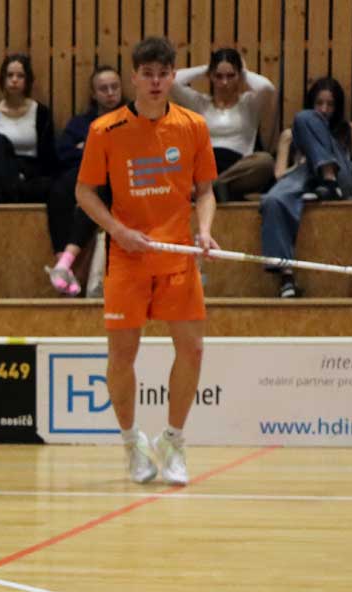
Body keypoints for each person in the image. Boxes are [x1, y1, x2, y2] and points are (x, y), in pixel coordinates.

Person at [75, 36, 218, 486]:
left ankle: (173, 440)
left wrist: (205, 231)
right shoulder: (105, 130)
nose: (156, 82)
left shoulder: (193, 125)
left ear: (173, 77)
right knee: (122, 355)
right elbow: (84, 193)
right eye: (147, 74)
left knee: (192, 349)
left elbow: (206, 191)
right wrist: (117, 231)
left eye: (163, 74)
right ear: (134, 77)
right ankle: (131, 442)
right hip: (128, 257)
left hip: (178, 256)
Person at [260, 77, 352, 297]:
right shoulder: (290, 135)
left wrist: (326, 157)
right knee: (272, 200)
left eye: (330, 104)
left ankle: (329, 179)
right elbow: (279, 175)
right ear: (311, 102)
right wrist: (305, 162)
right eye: (319, 103)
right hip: (304, 176)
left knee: (304, 118)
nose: (324, 109)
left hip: (340, 176)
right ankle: (286, 277)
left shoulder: (350, 129)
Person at [46, 65, 126, 294]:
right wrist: (94, 153)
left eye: (114, 87)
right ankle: (63, 264)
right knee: (58, 191)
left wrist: (90, 148)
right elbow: (63, 152)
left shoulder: (131, 117)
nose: (110, 93)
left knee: (93, 196)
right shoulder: (80, 123)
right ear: (93, 93)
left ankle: (66, 263)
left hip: (117, 178)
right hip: (84, 171)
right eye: (103, 89)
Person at [170, 47, 276, 201]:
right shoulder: (200, 103)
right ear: (211, 76)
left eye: (231, 76)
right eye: (218, 76)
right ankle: (218, 189)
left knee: (265, 162)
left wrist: (244, 71)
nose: (224, 82)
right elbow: (172, 81)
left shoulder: (249, 103)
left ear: (239, 76)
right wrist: (205, 68)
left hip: (239, 166)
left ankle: (211, 188)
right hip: (205, 165)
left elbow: (267, 87)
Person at [0, 53, 58, 203]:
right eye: (10, 75)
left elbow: (48, 157)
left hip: (32, 176)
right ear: (3, 79)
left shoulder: (42, 113)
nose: (14, 80)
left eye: (20, 76)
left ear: (28, 80)